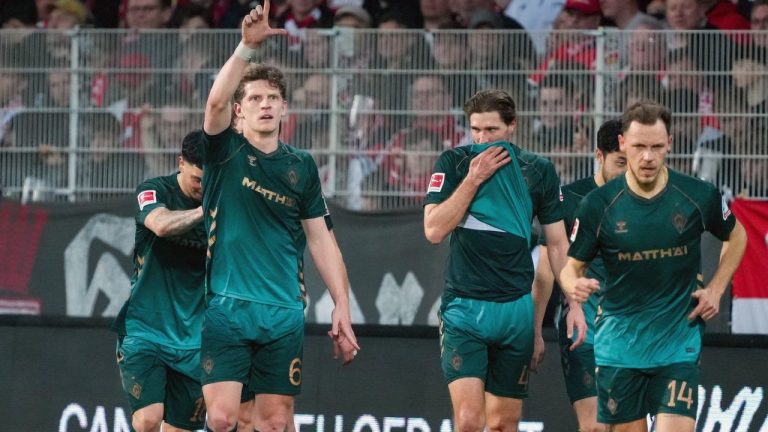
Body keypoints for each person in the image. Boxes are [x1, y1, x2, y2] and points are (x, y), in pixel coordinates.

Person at [200, 3, 359, 431]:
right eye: (254, 98)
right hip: (227, 306)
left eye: (273, 98)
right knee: (220, 418)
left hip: (283, 309)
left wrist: (342, 305)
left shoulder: (301, 166)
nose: (265, 105)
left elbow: (321, 239)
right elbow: (214, 102)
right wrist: (246, 48)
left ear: (285, 109)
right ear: (240, 111)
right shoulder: (223, 151)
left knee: (273, 422)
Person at [560, 101, 747, 432]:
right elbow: (570, 268)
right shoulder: (598, 206)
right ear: (622, 145)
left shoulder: (696, 195)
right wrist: (573, 285)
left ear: (670, 144)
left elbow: (738, 236)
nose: (648, 157)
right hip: (619, 346)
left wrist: (717, 289)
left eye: (656, 147)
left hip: (677, 343)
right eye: (639, 147)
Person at [423, 89, 578, 432]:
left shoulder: (538, 171)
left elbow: (556, 244)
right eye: (475, 129)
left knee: (504, 424)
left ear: (512, 127)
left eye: (491, 130)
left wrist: (570, 305)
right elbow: (433, 229)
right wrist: (474, 178)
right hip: (464, 307)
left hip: (515, 310)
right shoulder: (455, 163)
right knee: (467, 421)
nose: (481, 138)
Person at [531, 118, 627, 432]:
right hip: (582, 328)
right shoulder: (571, 199)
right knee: (595, 426)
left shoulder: (646, 204)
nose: (628, 172)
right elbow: (546, 271)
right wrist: (535, 331)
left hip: (632, 329)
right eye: (620, 162)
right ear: (599, 155)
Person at [112, 130, 207, 432]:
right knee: (148, 420)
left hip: (195, 338)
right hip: (145, 329)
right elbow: (161, 224)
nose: (203, 187)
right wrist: (205, 212)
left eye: (210, 180)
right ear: (181, 162)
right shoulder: (154, 190)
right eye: (197, 179)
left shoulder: (226, 203)